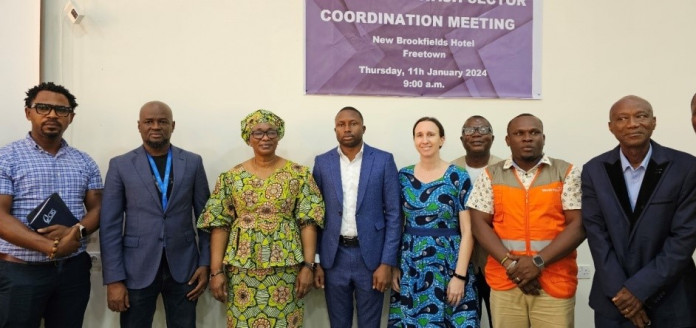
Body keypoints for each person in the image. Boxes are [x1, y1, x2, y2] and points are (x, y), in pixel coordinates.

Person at [197, 109, 325, 327]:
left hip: (287, 270)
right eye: (258, 132)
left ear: (279, 135)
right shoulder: (232, 177)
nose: (265, 137)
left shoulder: (299, 174)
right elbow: (220, 225)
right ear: (248, 138)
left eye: (271, 132)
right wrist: (216, 271)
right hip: (241, 272)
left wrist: (309, 266)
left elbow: (309, 222)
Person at [582, 95, 696, 328]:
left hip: (672, 300)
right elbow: (597, 236)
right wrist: (623, 296)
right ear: (611, 127)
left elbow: (684, 238)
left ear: (654, 122)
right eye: (622, 118)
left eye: (641, 116)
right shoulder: (594, 170)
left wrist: (638, 290)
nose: (632, 124)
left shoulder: (687, 167)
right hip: (614, 300)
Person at [0, 82, 103, 327]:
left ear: (71, 118)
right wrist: (51, 247)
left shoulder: (84, 161)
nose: (52, 115)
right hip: (20, 272)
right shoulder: (6, 158)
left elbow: (99, 208)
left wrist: (75, 232)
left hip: (72, 272)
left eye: (61, 110)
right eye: (43, 108)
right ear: (28, 112)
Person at [99, 101, 211, 327]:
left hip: (185, 268)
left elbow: (206, 219)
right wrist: (114, 279)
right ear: (139, 126)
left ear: (173, 125)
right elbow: (109, 225)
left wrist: (205, 263)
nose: (156, 126)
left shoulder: (192, 162)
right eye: (149, 121)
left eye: (163, 121)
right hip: (135, 269)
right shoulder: (120, 165)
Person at [468, 113, 584, 328]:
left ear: (543, 137)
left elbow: (578, 226)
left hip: (554, 283)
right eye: (519, 133)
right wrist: (513, 266)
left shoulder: (566, 172)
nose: (527, 138)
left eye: (534, 132)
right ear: (507, 140)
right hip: (506, 282)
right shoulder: (491, 175)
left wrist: (537, 263)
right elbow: (478, 224)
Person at [312, 106, 401, 328]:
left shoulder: (383, 160)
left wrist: (386, 263)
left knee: (370, 324)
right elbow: (315, 216)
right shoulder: (322, 163)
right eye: (341, 124)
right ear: (335, 130)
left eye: (352, 123)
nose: (347, 128)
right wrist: (316, 262)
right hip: (334, 258)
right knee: (338, 323)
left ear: (363, 127)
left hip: (370, 258)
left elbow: (394, 215)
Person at [389, 117, 478, 328]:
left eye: (431, 134)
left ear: (442, 140)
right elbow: (396, 225)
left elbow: (468, 231)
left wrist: (460, 276)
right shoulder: (403, 176)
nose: (425, 140)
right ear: (414, 140)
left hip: (450, 264)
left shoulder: (458, 175)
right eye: (419, 135)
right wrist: (394, 267)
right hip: (411, 267)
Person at [451, 115, 502, 328]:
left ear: (493, 137)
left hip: (498, 260)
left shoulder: (505, 168)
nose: (477, 134)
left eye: (483, 129)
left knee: (500, 321)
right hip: (459, 262)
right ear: (462, 139)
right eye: (470, 130)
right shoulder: (451, 170)